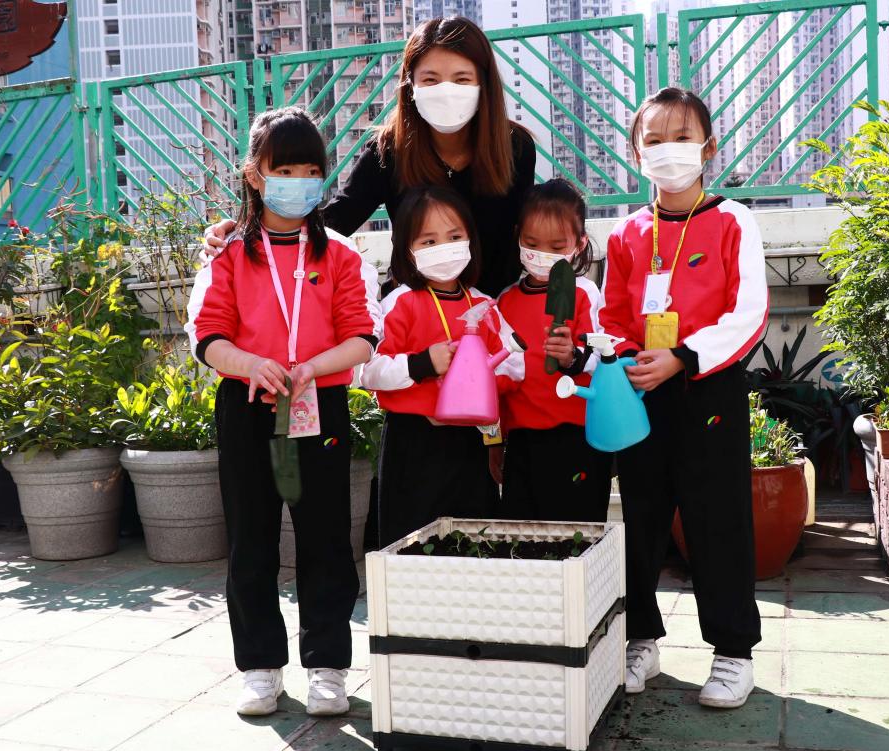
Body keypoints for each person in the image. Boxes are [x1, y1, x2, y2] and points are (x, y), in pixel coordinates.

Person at [184, 107, 381, 718]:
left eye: (311, 170)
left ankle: (328, 667)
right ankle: (260, 668)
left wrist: (313, 368)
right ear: (254, 174)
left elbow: (363, 336)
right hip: (247, 407)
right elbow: (207, 337)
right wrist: (249, 364)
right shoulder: (228, 255)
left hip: (318, 405)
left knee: (326, 538)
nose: (299, 181)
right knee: (251, 539)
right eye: (284, 170)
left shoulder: (341, 254)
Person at [600, 87, 768, 708]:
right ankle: (640, 638)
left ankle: (733, 651)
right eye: (654, 140)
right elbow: (612, 313)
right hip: (640, 388)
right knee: (640, 519)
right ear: (635, 152)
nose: (668, 150)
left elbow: (748, 312)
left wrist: (683, 356)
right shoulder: (627, 233)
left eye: (682, 137)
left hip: (707, 388)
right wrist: (629, 356)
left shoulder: (733, 220)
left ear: (708, 147)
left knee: (716, 518)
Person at [202, 16, 536, 297]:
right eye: (430, 80)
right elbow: (336, 220)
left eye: (461, 79)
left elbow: (529, 229)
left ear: (483, 84)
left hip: (495, 313)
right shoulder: (390, 150)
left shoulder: (515, 147)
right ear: (411, 86)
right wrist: (245, 231)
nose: (445, 91)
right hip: (412, 313)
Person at [361, 185, 524, 546]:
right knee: (409, 545)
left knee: (473, 541)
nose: (444, 248)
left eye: (454, 237)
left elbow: (515, 365)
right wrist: (422, 364)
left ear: (471, 240)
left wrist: (481, 378)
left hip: (469, 441)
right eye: (429, 241)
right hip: (413, 441)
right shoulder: (400, 302)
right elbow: (369, 371)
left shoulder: (484, 304)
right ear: (407, 249)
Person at [496, 178, 612, 523]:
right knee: (524, 534)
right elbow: (498, 375)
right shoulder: (504, 301)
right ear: (517, 236)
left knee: (579, 533)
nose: (542, 254)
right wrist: (494, 441)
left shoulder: (584, 293)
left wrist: (572, 357)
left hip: (577, 435)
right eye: (531, 243)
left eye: (557, 246)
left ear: (580, 243)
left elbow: (604, 355)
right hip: (521, 440)